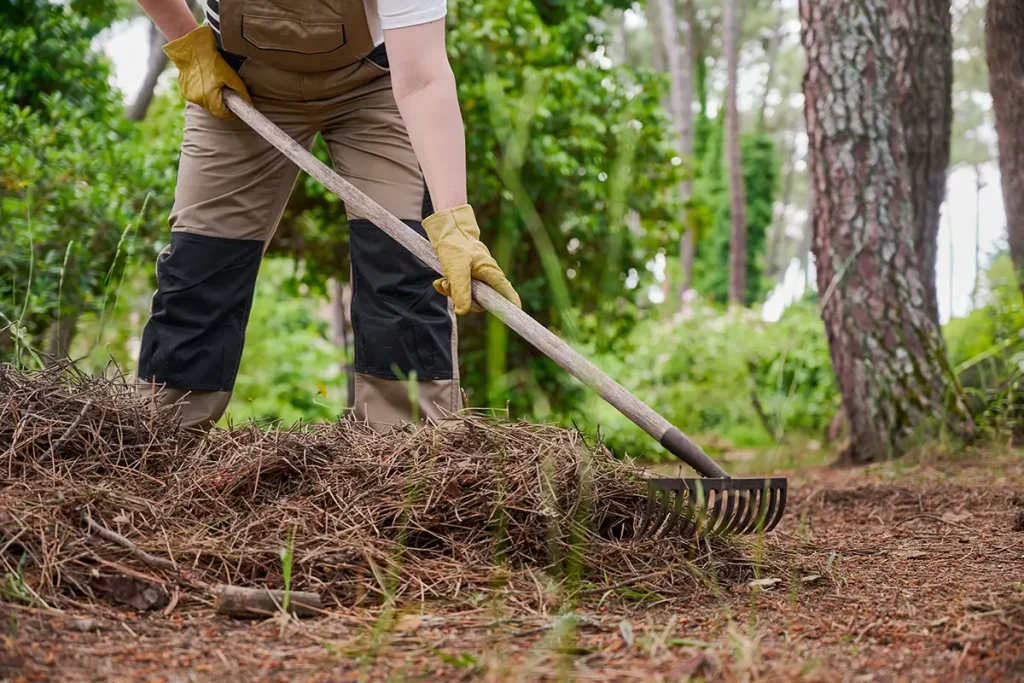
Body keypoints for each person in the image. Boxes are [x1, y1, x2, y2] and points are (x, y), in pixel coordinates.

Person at [134, 0, 520, 430]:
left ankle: (407, 461)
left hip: (375, 84)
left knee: (405, 266)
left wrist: (453, 223)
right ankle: (158, 447)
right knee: (200, 265)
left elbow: (423, 80)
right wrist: (188, 44)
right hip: (238, 78)